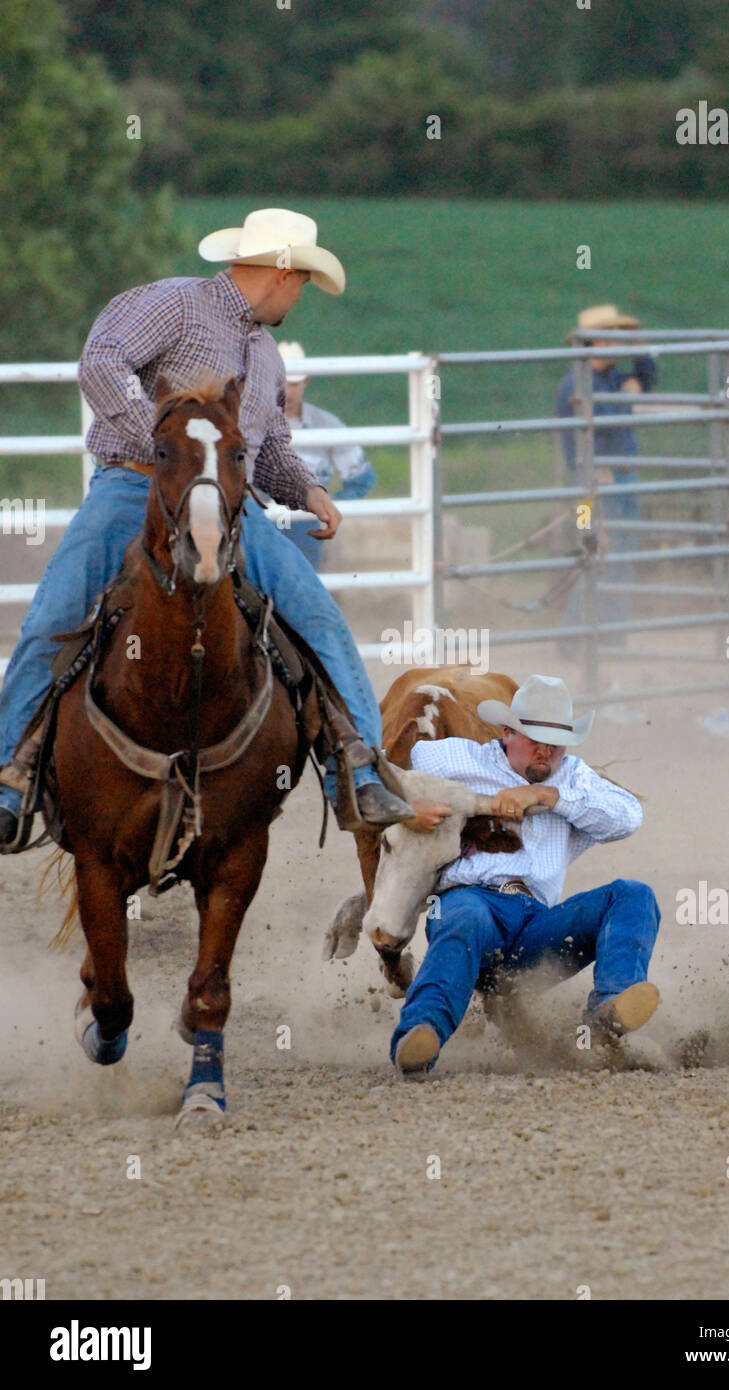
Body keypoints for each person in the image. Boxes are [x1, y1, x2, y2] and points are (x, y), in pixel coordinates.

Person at [0, 207, 413, 849]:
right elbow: (101, 360)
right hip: (134, 485)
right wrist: (169, 451)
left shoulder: (267, 357)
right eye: (302, 279)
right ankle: (8, 781)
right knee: (54, 616)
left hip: (230, 507)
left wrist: (306, 489)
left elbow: (269, 446)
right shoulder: (177, 303)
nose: (301, 293)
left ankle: (356, 770)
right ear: (283, 270)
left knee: (316, 617)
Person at [390, 674, 661, 1076]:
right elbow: (371, 771)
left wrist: (547, 796)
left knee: (633, 895)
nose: (545, 751)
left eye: (555, 742)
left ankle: (611, 1008)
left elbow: (628, 816)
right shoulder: (457, 758)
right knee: (464, 916)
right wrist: (409, 808)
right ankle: (420, 1032)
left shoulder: (572, 777)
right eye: (534, 738)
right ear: (507, 733)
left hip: (537, 928)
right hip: (472, 902)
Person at [556, 304, 658, 642]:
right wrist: (625, 394)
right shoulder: (578, 383)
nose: (621, 344)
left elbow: (648, 377)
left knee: (618, 557)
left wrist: (639, 348)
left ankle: (607, 636)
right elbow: (603, 419)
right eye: (615, 335)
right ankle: (582, 635)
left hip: (615, 479)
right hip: (593, 484)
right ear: (598, 342)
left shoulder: (608, 378)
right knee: (597, 556)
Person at [275, 341, 377, 571]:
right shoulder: (250, 421)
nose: (287, 391)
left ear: (305, 382)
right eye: (281, 382)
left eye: (293, 384)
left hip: (306, 523)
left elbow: (361, 478)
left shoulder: (328, 425)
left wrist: (330, 512)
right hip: (263, 517)